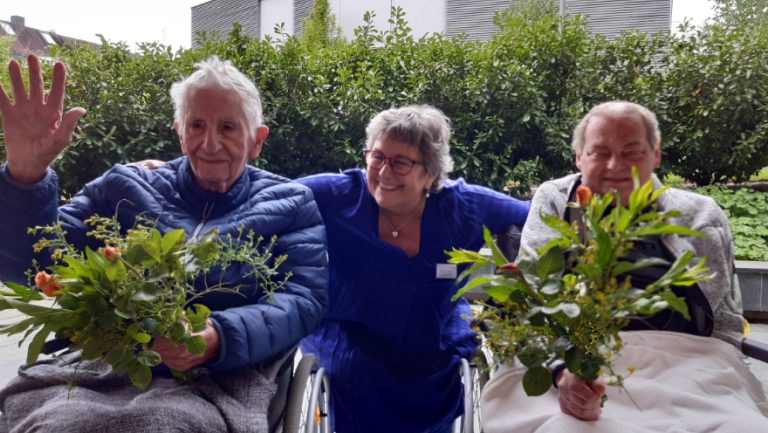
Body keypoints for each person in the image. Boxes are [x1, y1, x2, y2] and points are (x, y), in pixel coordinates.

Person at [0, 54, 328, 433]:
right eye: (197, 125)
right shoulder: (124, 187)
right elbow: (34, 264)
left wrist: (218, 336)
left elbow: (304, 299)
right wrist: (25, 176)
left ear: (257, 140)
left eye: (227, 127)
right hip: (105, 368)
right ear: (179, 132)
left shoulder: (291, 204)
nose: (210, 143)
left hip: (218, 380)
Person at [480, 101, 768, 433]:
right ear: (579, 157)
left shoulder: (700, 215)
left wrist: (720, 377)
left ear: (655, 155)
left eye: (632, 152)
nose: (616, 166)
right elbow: (533, 301)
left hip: (688, 367)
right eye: (599, 153)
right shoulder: (559, 202)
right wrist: (564, 368)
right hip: (576, 363)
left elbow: (724, 322)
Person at [296, 105, 530, 433]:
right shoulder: (340, 195)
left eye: (400, 162)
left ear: (430, 174)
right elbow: (271, 199)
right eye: (377, 157)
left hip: (432, 334)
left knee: (440, 371)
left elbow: (539, 215)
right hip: (350, 331)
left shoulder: (463, 207)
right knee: (357, 371)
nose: (384, 171)